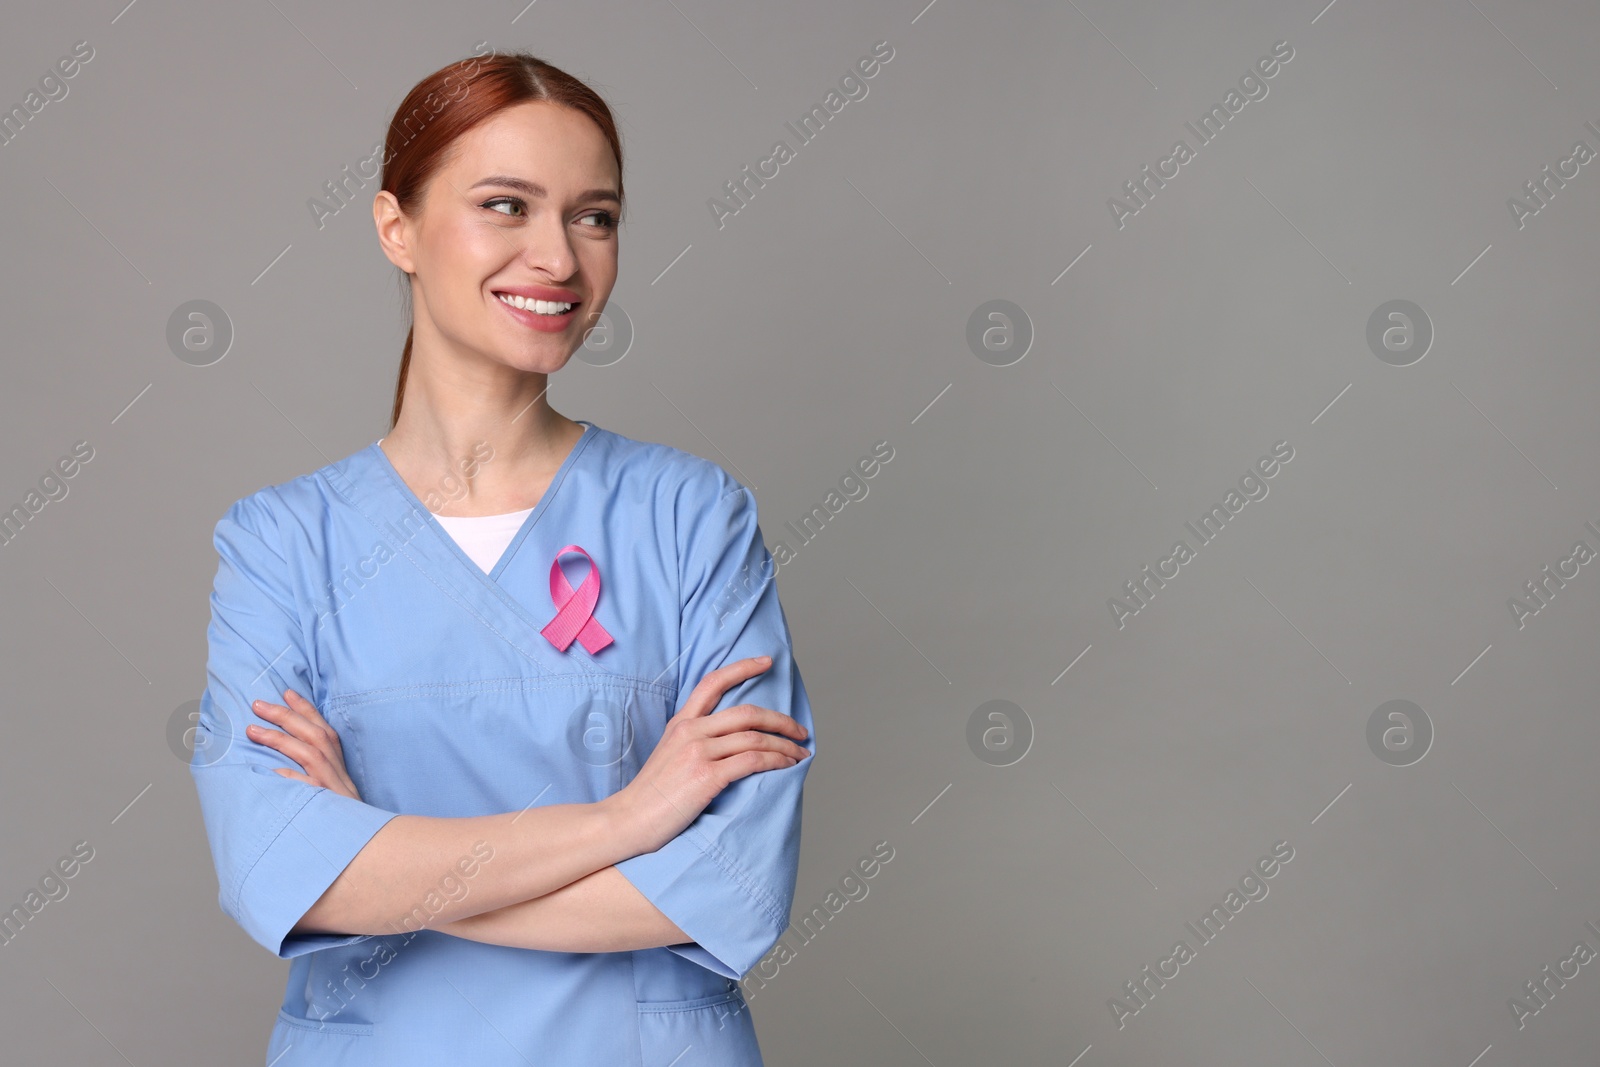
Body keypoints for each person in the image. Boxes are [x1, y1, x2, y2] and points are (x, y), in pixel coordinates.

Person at [189, 48, 815, 1066]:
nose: (560, 259)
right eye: (505, 205)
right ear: (396, 227)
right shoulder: (283, 544)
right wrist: (629, 816)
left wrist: (384, 858)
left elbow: (734, 878)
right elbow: (276, 868)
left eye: (594, 215)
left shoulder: (690, 518)